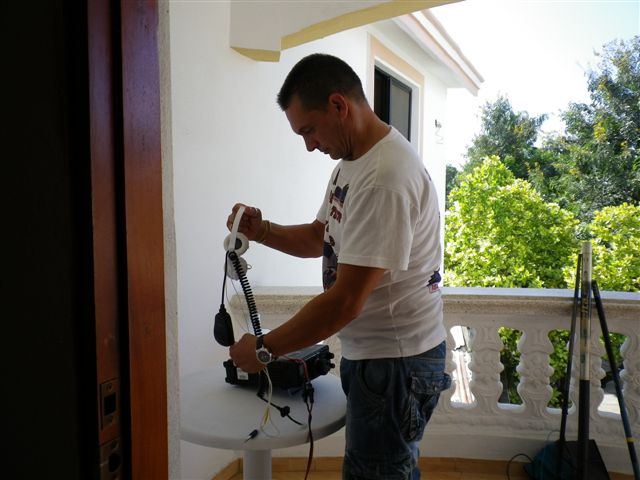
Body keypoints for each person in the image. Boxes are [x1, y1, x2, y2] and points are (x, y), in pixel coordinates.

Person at [227, 53, 451, 480]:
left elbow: (345, 301)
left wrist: (263, 349)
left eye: (309, 130)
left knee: (377, 473)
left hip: (395, 363)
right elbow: (321, 236)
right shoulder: (353, 163)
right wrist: (263, 230)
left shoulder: (384, 177)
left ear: (338, 105)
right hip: (380, 359)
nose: (310, 145)